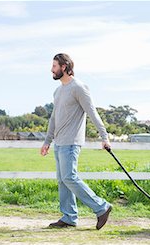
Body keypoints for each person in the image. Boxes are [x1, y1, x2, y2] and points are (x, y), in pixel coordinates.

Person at [41, 53, 112, 230]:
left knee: (69, 177)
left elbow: (92, 112)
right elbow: (53, 118)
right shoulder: (58, 91)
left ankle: (101, 207)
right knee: (62, 180)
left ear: (64, 67)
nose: (52, 70)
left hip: (72, 142)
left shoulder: (78, 87)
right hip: (59, 142)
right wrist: (47, 141)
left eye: (55, 66)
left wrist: (104, 137)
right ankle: (69, 216)